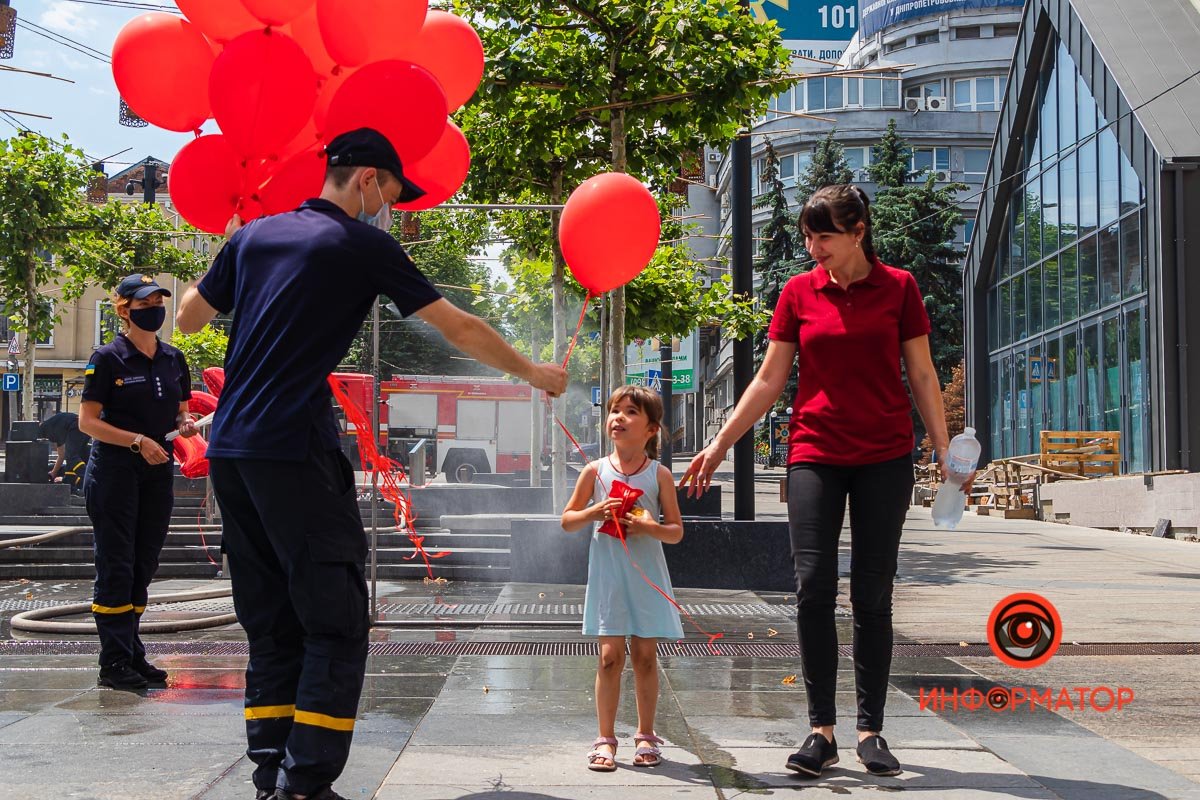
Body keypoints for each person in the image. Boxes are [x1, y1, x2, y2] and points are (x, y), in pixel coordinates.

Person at [175, 127, 568, 800]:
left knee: (271, 624)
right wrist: (532, 371)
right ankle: (305, 783)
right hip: (292, 449)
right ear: (365, 179)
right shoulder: (361, 244)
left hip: (232, 454)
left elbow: (186, 319)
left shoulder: (254, 237)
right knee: (336, 620)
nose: (390, 207)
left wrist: (230, 240)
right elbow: (457, 326)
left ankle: (271, 773)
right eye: (389, 192)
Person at [680, 185, 974, 779]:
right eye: (809, 237)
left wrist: (944, 449)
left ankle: (870, 732)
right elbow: (768, 380)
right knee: (812, 586)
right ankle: (821, 732)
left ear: (859, 231)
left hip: (885, 456)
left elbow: (921, 373)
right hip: (814, 452)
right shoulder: (798, 292)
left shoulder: (899, 288)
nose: (814, 248)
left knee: (872, 593)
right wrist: (719, 443)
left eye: (825, 237)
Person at [78, 274, 198, 691]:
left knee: (144, 563)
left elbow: (182, 409)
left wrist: (186, 422)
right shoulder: (107, 358)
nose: (154, 311)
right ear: (124, 310)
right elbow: (87, 422)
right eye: (144, 305)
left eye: (158, 303)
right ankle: (113, 662)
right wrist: (137, 441)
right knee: (117, 563)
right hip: (115, 470)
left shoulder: (173, 358)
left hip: (157, 469)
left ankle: (131, 652)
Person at [561, 385, 684, 772]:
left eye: (631, 412)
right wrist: (594, 512)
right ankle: (605, 739)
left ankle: (646, 735)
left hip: (646, 574)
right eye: (615, 410)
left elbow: (676, 531)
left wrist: (649, 527)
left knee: (645, 657)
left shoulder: (659, 474)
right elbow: (567, 520)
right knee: (609, 657)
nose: (619, 418)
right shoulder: (594, 471)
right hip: (609, 574)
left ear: (651, 429)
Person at [39, 410, 91, 494]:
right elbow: (62, 455)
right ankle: (70, 481)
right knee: (78, 454)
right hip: (84, 426)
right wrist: (54, 472)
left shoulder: (47, 429)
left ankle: (84, 478)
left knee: (71, 456)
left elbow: (61, 455)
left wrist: (53, 472)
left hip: (76, 426)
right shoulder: (53, 424)